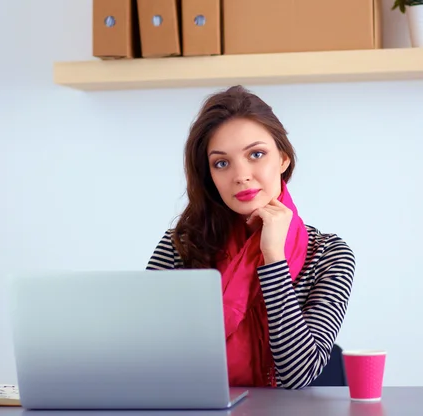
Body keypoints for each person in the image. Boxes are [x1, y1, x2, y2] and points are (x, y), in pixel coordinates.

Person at [146, 85, 355, 390]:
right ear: (210, 176)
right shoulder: (181, 245)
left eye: (256, 154)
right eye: (222, 163)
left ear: (283, 159)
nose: (241, 175)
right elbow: (146, 355)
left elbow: (298, 375)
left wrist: (273, 257)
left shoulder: (328, 254)